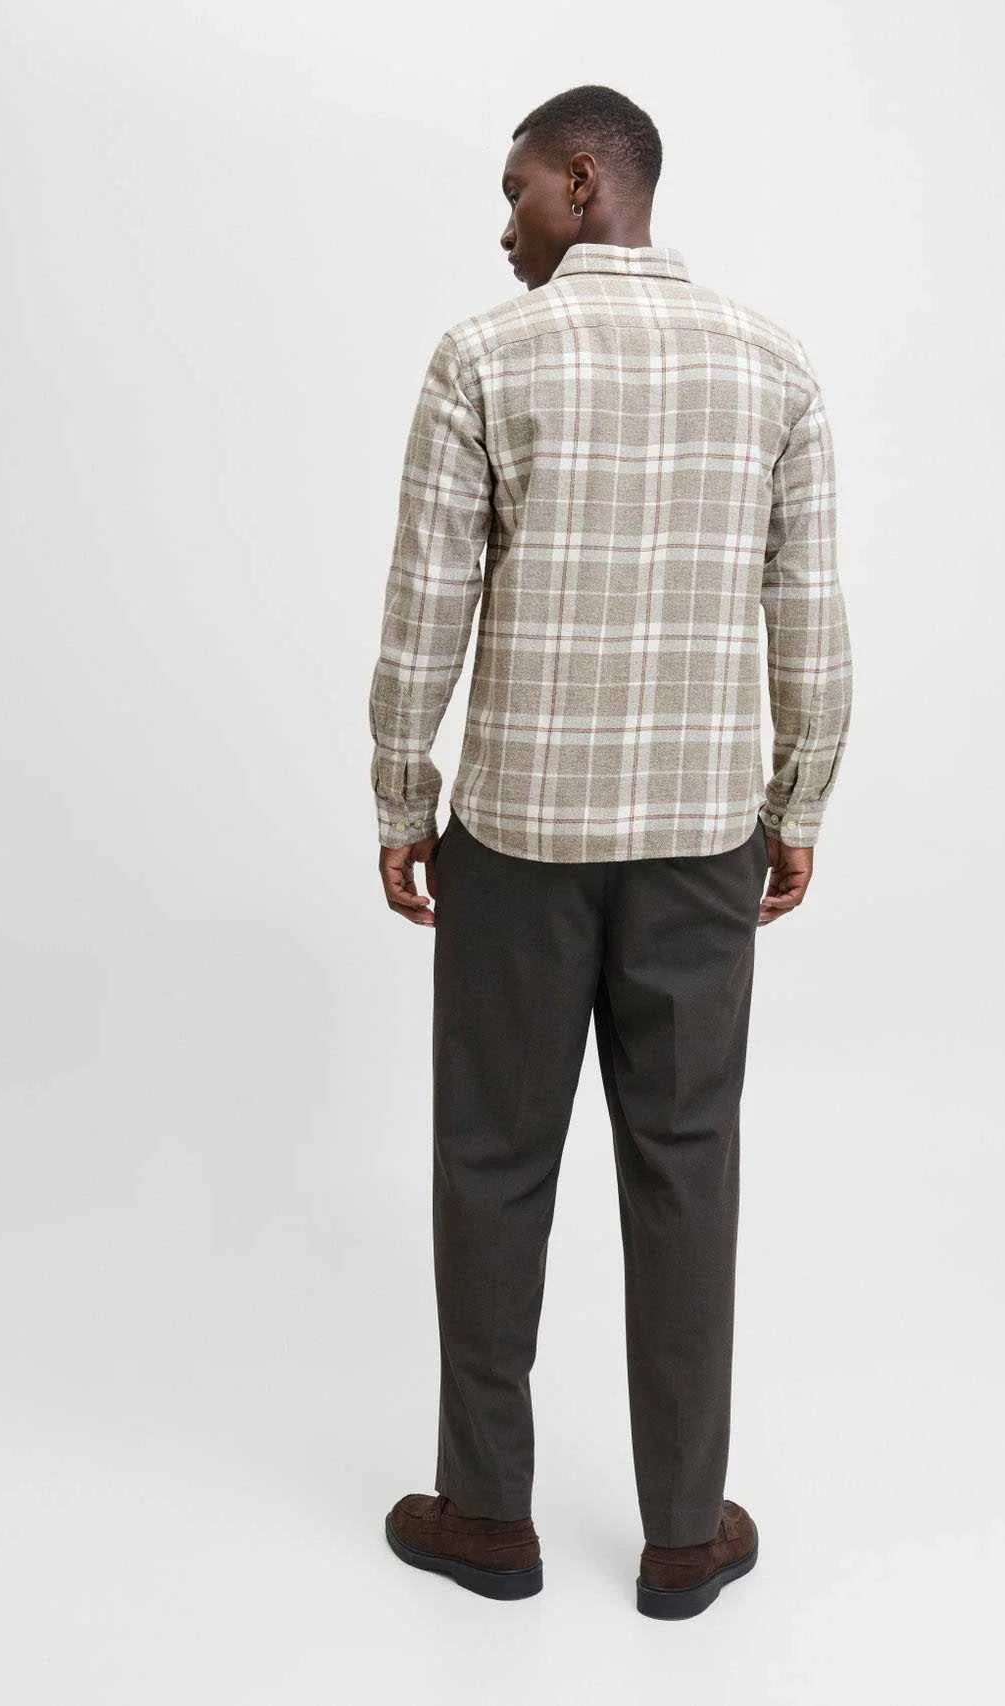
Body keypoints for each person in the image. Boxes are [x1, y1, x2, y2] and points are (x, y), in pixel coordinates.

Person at [369, 83, 853, 1619]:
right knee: (688, 1164)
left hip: (519, 841)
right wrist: (799, 803)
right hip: (704, 842)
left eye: (516, 188)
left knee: (492, 1164)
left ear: (586, 181)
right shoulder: (774, 363)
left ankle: (486, 1516)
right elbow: (809, 618)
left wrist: (401, 796)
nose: (504, 223)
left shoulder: (482, 357)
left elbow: (425, 608)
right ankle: (685, 1535)